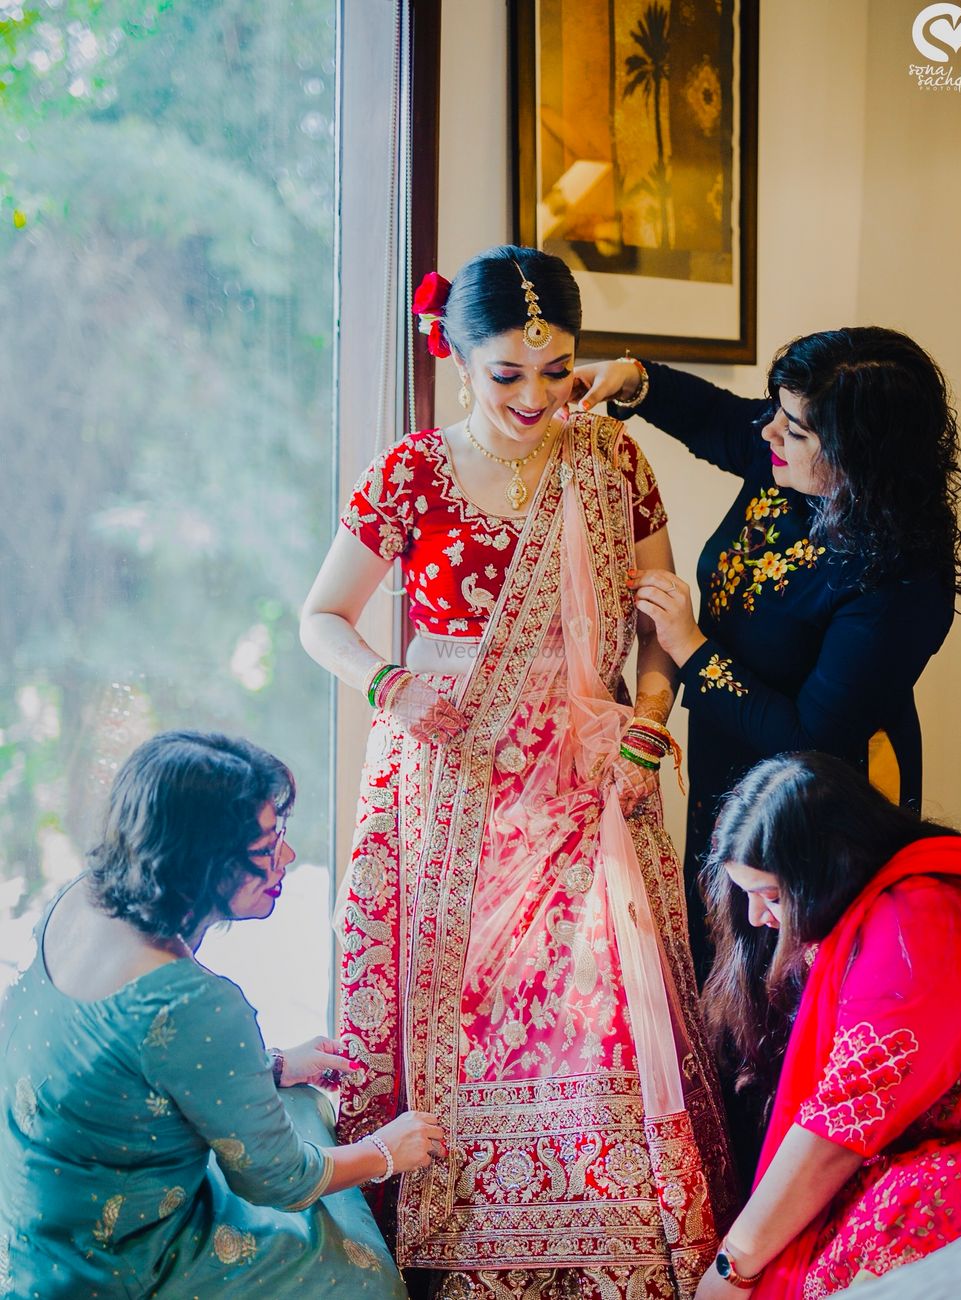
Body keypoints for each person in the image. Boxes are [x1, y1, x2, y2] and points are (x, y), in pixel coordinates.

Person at [300, 245, 735, 1300]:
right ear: (459, 360)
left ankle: (609, 1254)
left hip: (584, 779)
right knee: (465, 1027)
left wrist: (645, 719)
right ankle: (462, 1252)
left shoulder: (612, 461)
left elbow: (654, 617)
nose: (537, 398)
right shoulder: (412, 470)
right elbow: (321, 619)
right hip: (451, 778)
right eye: (507, 375)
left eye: (556, 369)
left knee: (598, 1022)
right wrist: (386, 687)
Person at [575, 332, 961, 984]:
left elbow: (810, 737)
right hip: (728, 765)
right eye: (776, 414)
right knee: (718, 966)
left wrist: (688, 647)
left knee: (788, 991)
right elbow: (715, 418)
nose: (767, 435)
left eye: (793, 431)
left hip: (821, 807)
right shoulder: (785, 466)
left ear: (855, 455)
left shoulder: (901, 577)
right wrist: (630, 378)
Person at [0, 730, 446, 1299]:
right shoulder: (194, 1001)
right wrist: (387, 1151)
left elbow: (125, 1059)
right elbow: (282, 1181)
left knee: (301, 1102)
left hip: (38, 1222)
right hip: (113, 1264)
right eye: (265, 848)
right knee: (363, 1280)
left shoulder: (82, 898)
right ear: (201, 865)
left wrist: (275, 1065)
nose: (286, 856)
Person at [693, 752, 961, 1298]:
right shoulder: (884, 900)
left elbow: (841, 1124)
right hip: (919, 1138)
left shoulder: (916, 922)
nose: (758, 918)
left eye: (772, 896)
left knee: (885, 1225)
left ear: (828, 870)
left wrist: (732, 1267)